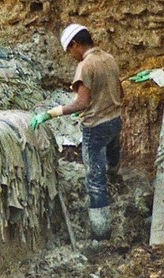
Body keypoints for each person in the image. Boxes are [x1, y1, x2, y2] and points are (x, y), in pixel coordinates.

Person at [30, 24, 123, 240]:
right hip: (115, 120)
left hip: (95, 126)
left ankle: (101, 233)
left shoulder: (86, 65)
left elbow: (81, 103)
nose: (71, 56)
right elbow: (120, 91)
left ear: (75, 44)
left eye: (69, 51)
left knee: (94, 179)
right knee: (112, 160)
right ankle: (118, 187)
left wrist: (51, 113)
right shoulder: (108, 58)